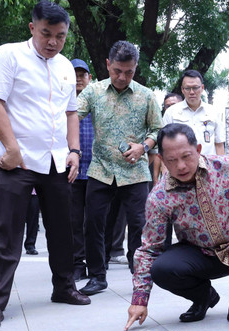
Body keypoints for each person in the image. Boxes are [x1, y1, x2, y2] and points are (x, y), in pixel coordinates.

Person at [0, 1, 91, 331]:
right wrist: (10, 147)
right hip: (18, 159)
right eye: (46, 34)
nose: (53, 42)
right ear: (32, 28)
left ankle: (64, 286)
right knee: (6, 232)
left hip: (57, 160)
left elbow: (71, 112)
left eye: (60, 36)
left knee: (63, 228)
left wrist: (74, 150)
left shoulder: (67, 67)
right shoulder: (9, 55)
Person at [125, 123, 229, 331]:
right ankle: (203, 297)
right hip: (198, 255)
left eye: (186, 156)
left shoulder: (226, 165)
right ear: (162, 160)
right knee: (162, 268)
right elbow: (149, 250)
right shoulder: (159, 197)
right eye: (172, 160)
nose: (181, 166)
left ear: (198, 150)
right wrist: (139, 299)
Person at [77, 40, 162, 295]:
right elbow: (71, 116)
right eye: (117, 71)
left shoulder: (147, 95)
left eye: (129, 72)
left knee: (139, 224)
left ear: (135, 68)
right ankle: (97, 275)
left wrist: (143, 147)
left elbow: (158, 129)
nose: (122, 77)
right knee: (93, 223)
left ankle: (140, 275)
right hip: (100, 169)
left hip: (135, 171)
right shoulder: (92, 92)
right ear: (107, 65)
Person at [68, 58, 94, 281]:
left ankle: (97, 262)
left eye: (82, 74)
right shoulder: (61, 104)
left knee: (95, 220)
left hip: (96, 171)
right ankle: (77, 262)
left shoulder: (98, 103)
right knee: (74, 220)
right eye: (74, 74)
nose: (78, 78)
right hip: (70, 172)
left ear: (89, 78)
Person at [162, 70, 225, 156]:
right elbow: (164, 145)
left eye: (195, 88)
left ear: (202, 88)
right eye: (187, 88)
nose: (192, 92)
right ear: (182, 90)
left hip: (209, 165)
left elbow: (219, 145)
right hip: (181, 165)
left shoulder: (214, 112)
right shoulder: (171, 112)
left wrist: (220, 168)